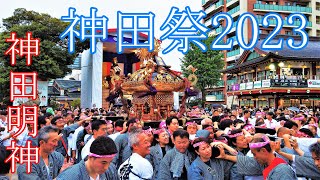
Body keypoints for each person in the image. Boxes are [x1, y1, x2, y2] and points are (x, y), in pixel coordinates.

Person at [219, 133, 297, 180]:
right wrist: (225, 156)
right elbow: (245, 160)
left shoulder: (282, 171)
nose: (254, 157)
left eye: (254, 154)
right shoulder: (266, 163)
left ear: (263, 151)